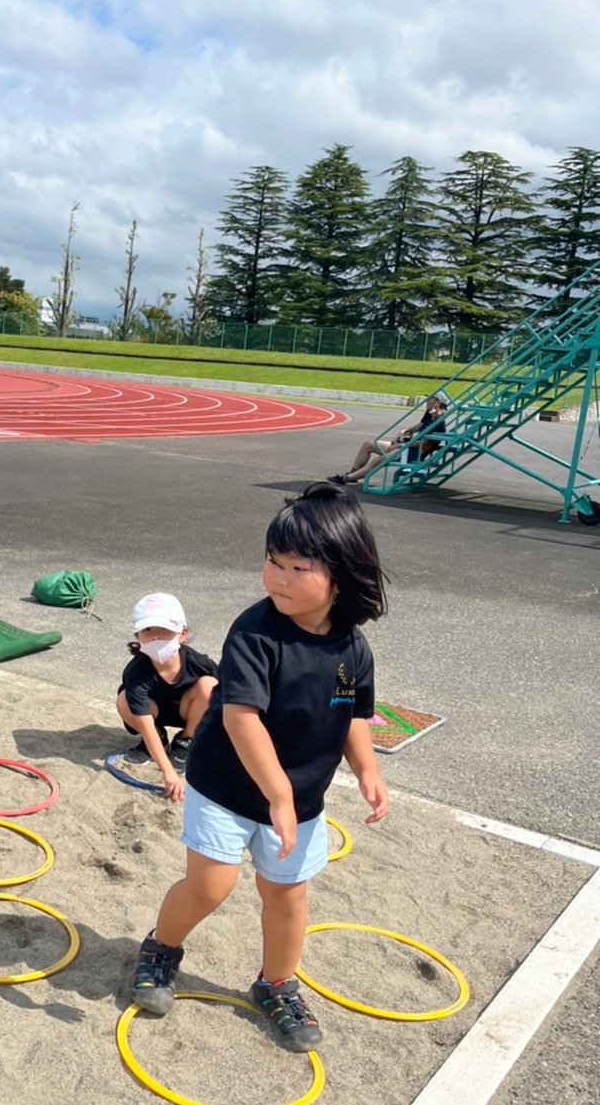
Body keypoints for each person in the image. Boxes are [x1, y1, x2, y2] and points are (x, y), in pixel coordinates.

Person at [128, 483, 389, 1051]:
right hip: (226, 787)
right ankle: (160, 948)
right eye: (272, 561)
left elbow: (352, 715)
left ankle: (276, 984)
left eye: (298, 567)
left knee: (287, 896)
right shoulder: (255, 631)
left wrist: (367, 770)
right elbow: (243, 719)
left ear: (342, 573)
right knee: (210, 886)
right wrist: (275, 794)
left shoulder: (352, 649)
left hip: (299, 803)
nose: (278, 577)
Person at [117, 593, 218, 802]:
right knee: (125, 700)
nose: (155, 636)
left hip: (188, 710)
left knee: (210, 686)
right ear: (137, 636)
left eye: (164, 630)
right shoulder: (136, 673)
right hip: (152, 713)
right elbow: (143, 722)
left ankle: (186, 741)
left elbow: (227, 698)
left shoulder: (198, 662)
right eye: (147, 630)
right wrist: (168, 773)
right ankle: (155, 741)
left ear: (182, 633)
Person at [328, 393, 449, 486]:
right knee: (368, 444)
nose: (426, 402)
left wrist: (403, 445)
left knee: (379, 460)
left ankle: (345, 479)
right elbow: (420, 425)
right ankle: (353, 474)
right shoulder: (430, 415)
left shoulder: (439, 423)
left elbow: (425, 444)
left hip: (414, 452)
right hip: (407, 446)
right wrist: (405, 430)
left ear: (437, 403)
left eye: (430, 400)